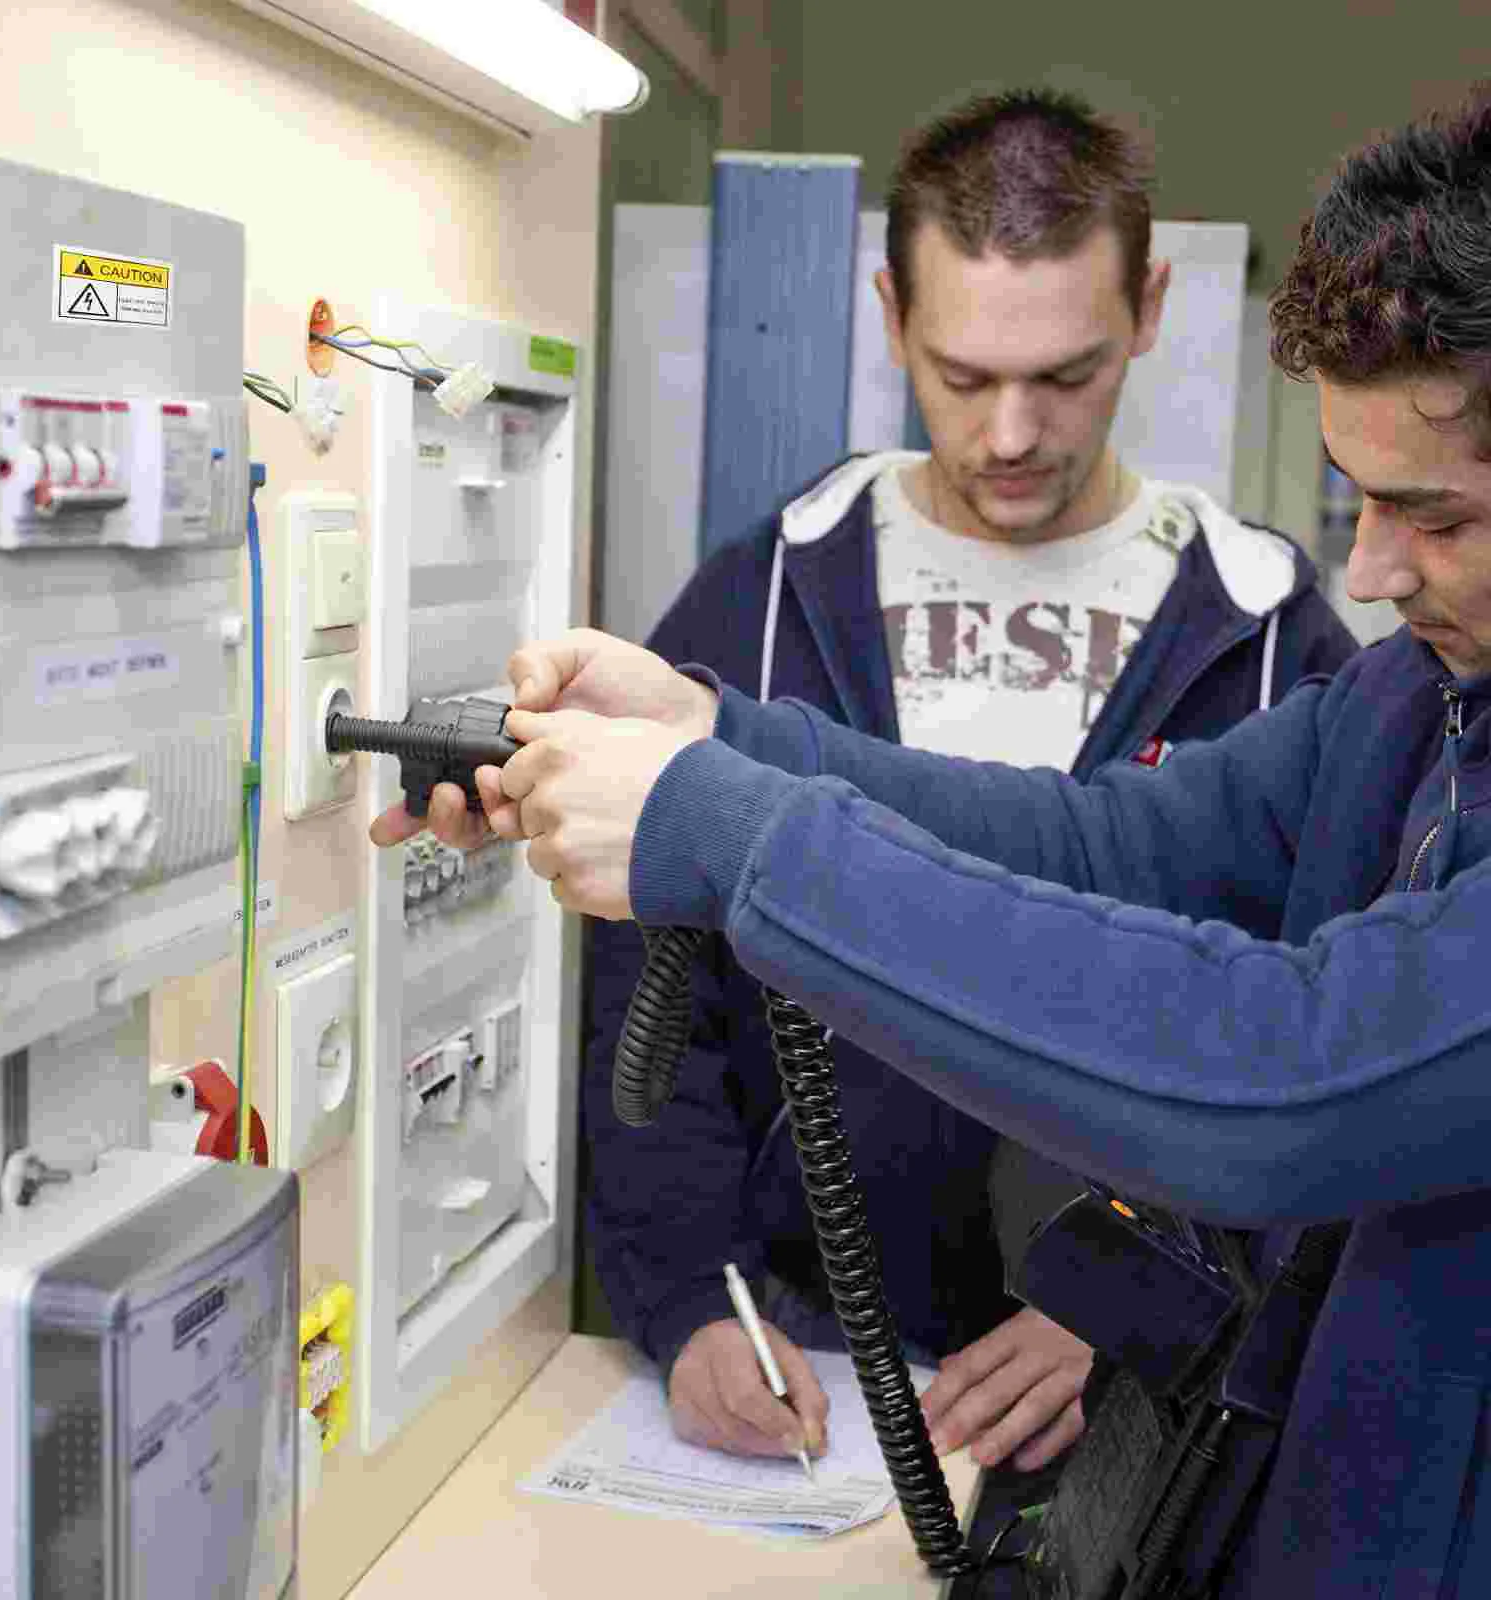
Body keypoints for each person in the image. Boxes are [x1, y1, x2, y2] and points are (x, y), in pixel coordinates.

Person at [374, 90, 1491, 1594]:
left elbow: (1277, 1075)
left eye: (1439, 517)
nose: (1367, 569)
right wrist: (716, 737)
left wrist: (739, 832)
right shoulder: (1412, 699)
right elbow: (1106, 845)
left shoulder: (1307, 630)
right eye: (1361, 503)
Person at [581, 87, 1354, 1492]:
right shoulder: (757, 606)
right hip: (814, 1367)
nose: (1009, 433)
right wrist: (690, 1295)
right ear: (889, 314)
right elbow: (642, 989)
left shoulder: (1266, 632)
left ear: (1151, 307)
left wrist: (1141, 1289)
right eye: (959, 373)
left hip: (1137, 1406)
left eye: (1066, 376)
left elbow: (1326, 1037)